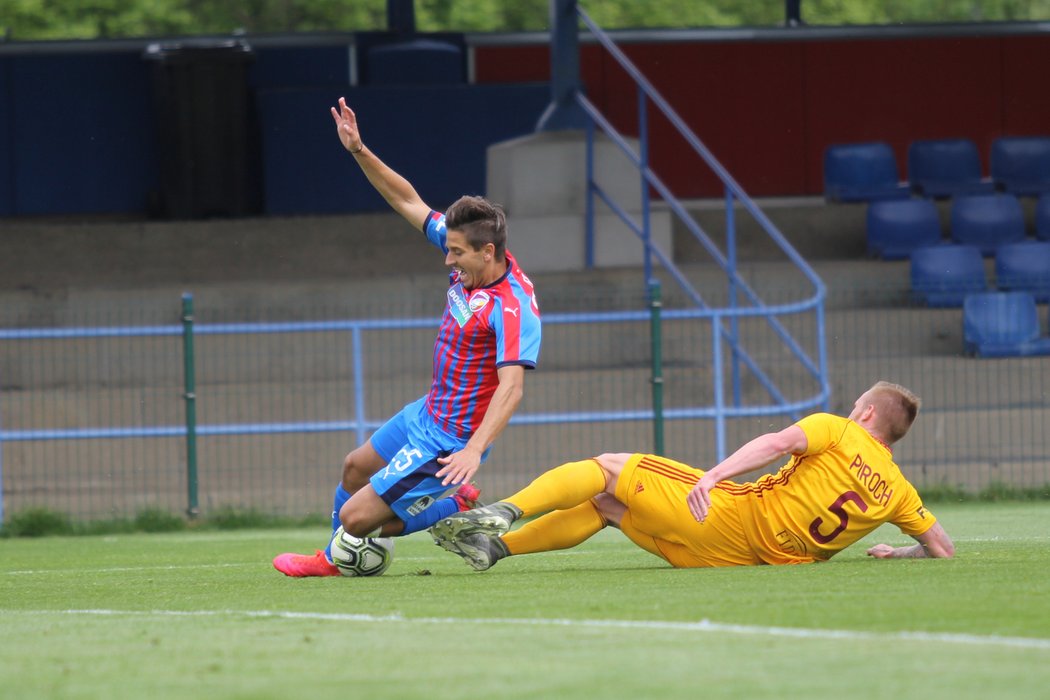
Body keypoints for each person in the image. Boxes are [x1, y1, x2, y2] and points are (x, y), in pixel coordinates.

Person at [274, 97, 542, 577]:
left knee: (360, 517)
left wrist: (474, 449)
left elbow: (512, 387)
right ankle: (340, 551)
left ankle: (444, 508)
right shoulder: (471, 258)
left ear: (487, 251)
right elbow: (407, 200)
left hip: (451, 437)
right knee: (355, 467)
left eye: (457, 252)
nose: (447, 259)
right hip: (427, 410)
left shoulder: (512, 306)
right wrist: (359, 150)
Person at [431, 381, 954, 571]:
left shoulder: (838, 430)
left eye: (856, 403)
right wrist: (896, 550)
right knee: (607, 507)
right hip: (734, 562)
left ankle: (503, 512)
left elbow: (775, 445)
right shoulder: (899, 491)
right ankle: (496, 549)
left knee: (608, 468)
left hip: (729, 519)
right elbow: (941, 549)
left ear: (866, 414)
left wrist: (713, 477)